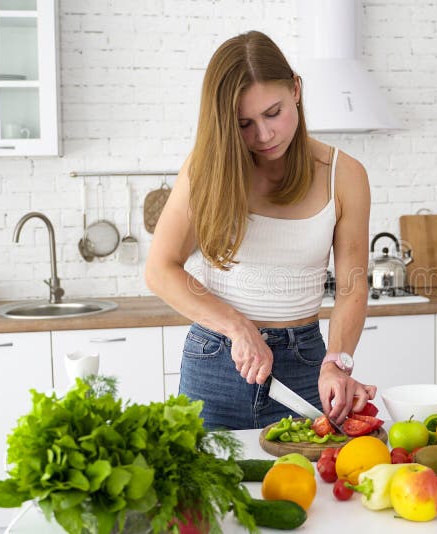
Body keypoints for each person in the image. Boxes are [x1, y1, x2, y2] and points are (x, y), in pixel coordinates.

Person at [145, 30, 375, 431]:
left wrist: (338, 362)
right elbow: (160, 269)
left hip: (305, 367)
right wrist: (237, 326)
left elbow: (352, 285)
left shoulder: (345, 175)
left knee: (304, 490)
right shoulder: (206, 169)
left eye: (274, 113)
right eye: (244, 123)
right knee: (208, 489)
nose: (264, 135)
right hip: (216, 361)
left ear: (296, 90)